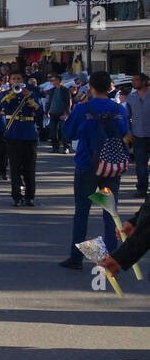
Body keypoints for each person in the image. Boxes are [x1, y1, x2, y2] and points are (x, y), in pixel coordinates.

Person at [59, 71, 129, 269]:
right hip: (111, 165)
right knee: (110, 212)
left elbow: (70, 132)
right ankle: (112, 256)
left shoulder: (83, 108)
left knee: (82, 211)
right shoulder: (118, 109)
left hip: (87, 164)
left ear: (90, 87)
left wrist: (67, 120)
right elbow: (124, 133)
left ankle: (76, 257)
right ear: (110, 87)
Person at [0, 69, 44, 207]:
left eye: (19, 79)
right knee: (15, 168)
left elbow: (39, 112)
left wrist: (30, 97)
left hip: (29, 134)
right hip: (13, 134)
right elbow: (4, 105)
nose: (16, 81)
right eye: (14, 79)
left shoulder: (32, 95)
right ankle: (16, 196)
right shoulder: (5, 94)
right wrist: (12, 94)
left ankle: (30, 196)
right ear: (9, 81)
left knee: (29, 168)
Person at [126, 72, 150, 198]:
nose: (133, 82)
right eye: (133, 80)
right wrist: (129, 132)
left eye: (136, 80)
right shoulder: (131, 97)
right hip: (138, 135)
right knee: (141, 164)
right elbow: (127, 116)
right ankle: (142, 188)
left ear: (144, 82)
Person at [46, 73, 72, 154]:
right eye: (52, 80)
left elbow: (69, 102)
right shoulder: (53, 90)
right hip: (53, 112)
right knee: (53, 131)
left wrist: (66, 114)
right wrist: (47, 111)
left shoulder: (65, 90)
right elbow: (50, 101)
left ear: (59, 81)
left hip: (62, 112)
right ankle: (55, 147)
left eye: (55, 80)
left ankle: (66, 147)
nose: (53, 82)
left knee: (63, 131)